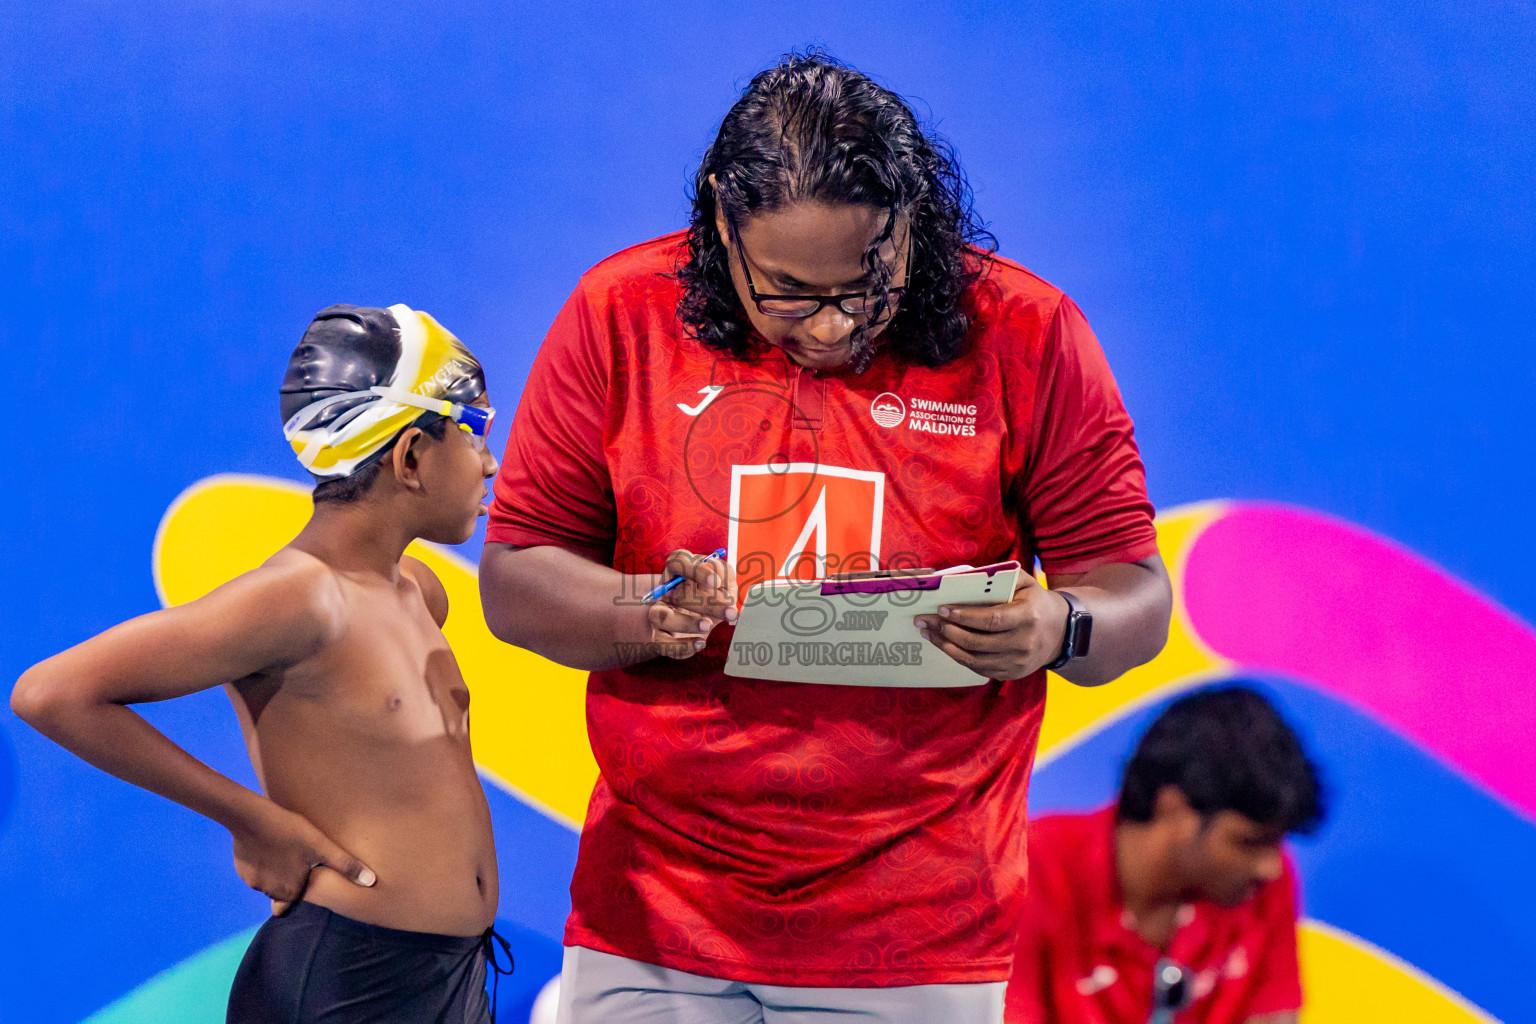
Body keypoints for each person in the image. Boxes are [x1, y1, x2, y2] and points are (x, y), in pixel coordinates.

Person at [480, 52, 1173, 1024]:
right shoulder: (618, 315)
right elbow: (514, 581)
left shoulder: (1030, 334)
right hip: (653, 918)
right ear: (721, 222)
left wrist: (1059, 627)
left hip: (919, 932)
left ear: (913, 225)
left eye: (867, 284)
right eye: (788, 293)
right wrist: (645, 612)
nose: (831, 324)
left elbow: (1137, 600)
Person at [10, 304, 511, 1023]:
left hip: (452, 978)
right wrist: (252, 820)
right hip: (341, 983)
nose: (490, 458)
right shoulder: (300, 599)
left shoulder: (420, 593)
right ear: (408, 454)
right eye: (472, 428)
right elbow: (51, 693)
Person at [1004, 685, 1326, 1024]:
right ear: (1174, 809)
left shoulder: (1259, 884)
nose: (1271, 867)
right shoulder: (1030, 869)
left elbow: (1274, 1016)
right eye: (1248, 842)